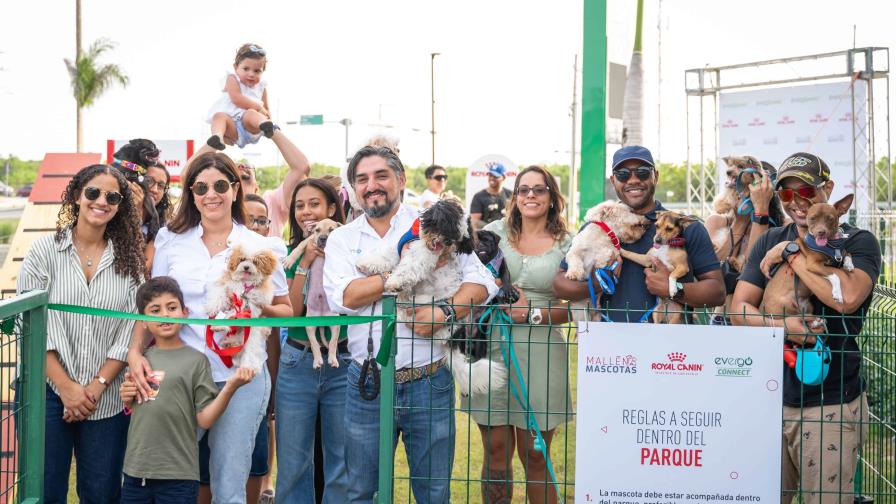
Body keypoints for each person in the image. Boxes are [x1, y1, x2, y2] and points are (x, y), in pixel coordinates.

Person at [323, 145, 497, 503]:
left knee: (433, 493)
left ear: (401, 180)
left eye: (381, 176)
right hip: (367, 381)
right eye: (362, 179)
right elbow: (345, 297)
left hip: (429, 379)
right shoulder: (343, 239)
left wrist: (445, 312)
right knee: (359, 492)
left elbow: (484, 283)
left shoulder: (432, 224)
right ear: (354, 188)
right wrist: (398, 273)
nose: (372, 186)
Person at [128, 152, 292, 504]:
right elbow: (153, 304)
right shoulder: (173, 240)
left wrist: (255, 308)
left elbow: (286, 310)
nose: (210, 194)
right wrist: (134, 352)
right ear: (191, 192)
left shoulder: (260, 246)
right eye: (200, 187)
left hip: (241, 376)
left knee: (229, 482)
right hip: (181, 373)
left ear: (235, 189)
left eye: (220, 185)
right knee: (166, 474)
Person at [729, 152, 879, 502]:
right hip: (766, 398)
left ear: (827, 189)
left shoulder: (858, 242)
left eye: (806, 192)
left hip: (828, 402)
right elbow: (739, 309)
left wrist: (792, 253)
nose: (796, 202)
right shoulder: (769, 240)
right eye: (785, 194)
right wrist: (782, 328)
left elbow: (848, 298)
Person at [17, 164, 145, 503]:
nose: (101, 201)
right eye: (93, 192)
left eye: (112, 196)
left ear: (120, 206)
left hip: (106, 396)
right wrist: (66, 387)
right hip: (46, 391)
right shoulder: (43, 252)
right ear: (77, 195)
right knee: (43, 491)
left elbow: (133, 325)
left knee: (102, 494)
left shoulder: (130, 262)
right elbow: (35, 324)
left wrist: (95, 386)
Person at [464, 165, 574, 504]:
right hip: (491, 347)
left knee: (535, 454)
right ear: (515, 197)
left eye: (539, 189)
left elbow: (579, 307)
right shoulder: (493, 233)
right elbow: (468, 276)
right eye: (523, 189)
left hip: (542, 351)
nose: (529, 195)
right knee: (495, 451)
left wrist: (533, 314)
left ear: (553, 197)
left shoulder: (569, 243)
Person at [119, 277, 255, 504]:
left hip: (178, 478)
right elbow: (137, 406)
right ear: (142, 320)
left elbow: (205, 419)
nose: (165, 314)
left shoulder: (196, 361)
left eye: (172, 308)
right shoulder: (142, 361)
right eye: (155, 310)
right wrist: (127, 396)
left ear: (185, 312)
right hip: (136, 474)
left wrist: (230, 387)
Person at [553, 145, 725, 322]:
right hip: (607, 343)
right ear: (613, 181)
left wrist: (673, 289)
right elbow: (560, 285)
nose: (633, 180)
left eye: (642, 172)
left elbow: (717, 292)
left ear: (655, 176)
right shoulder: (598, 227)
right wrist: (600, 283)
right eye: (623, 174)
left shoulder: (686, 227)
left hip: (667, 343)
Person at [275, 178, 349, 503]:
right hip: (298, 361)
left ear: (331, 208)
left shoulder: (348, 251)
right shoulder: (291, 253)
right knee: (293, 464)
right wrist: (305, 260)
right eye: (300, 205)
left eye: (314, 204)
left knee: (341, 460)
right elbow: (292, 311)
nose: (306, 211)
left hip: (342, 362)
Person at [705, 159, 785, 325]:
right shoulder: (717, 221)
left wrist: (760, 212)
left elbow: (752, 265)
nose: (740, 195)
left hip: (761, 322)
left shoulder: (784, 226)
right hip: (722, 319)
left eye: (744, 190)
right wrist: (739, 224)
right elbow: (711, 267)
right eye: (736, 190)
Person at [207, 43, 278, 150]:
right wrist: (259, 107)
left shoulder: (261, 87)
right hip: (233, 128)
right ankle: (217, 137)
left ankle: (265, 125)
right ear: (236, 67)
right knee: (218, 116)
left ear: (263, 71)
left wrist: (268, 119)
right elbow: (237, 98)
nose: (251, 74)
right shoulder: (232, 79)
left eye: (257, 71)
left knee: (250, 113)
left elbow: (267, 109)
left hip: (251, 128)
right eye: (246, 69)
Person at [471, 163, 513, 230]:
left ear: (504, 177)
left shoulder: (511, 195)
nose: (492, 178)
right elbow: (475, 222)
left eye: (496, 176)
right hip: (486, 236)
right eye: (490, 175)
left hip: (508, 235)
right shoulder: (478, 197)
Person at [145, 162, 172, 228]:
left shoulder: (168, 228)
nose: (154, 190)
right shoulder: (116, 215)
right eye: (149, 181)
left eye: (161, 185)